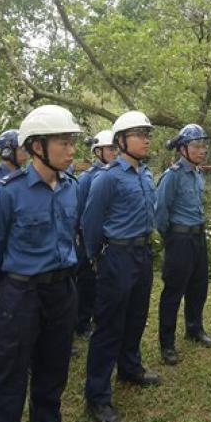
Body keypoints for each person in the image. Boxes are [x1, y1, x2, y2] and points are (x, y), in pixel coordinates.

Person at [0, 105, 82, 422]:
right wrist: (0, 291)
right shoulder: (7, 192)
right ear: (36, 147)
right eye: (63, 142)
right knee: (8, 376)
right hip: (21, 294)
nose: (71, 149)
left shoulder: (72, 187)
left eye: (72, 141)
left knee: (53, 370)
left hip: (62, 292)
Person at [82, 111, 160, 422]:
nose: (146, 139)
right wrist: (97, 257)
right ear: (121, 141)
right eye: (139, 134)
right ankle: (97, 395)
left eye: (147, 134)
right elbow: (90, 222)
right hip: (117, 256)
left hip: (143, 254)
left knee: (136, 316)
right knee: (109, 326)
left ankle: (131, 367)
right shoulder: (108, 177)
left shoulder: (145, 175)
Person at [156, 124, 211, 367]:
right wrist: (171, 238)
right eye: (196, 146)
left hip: (198, 237)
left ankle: (194, 328)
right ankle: (167, 343)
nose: (202, 150)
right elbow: (160, 212)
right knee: (173, 291)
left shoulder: (198, 173)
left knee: (198, 286)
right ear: (183, 149)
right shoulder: (172, 176)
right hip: (179, 239)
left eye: (204, 145)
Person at [74, 130, 118, 341]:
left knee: (101, 283)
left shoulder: (116, 174)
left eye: (115, 148)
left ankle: (95, 318)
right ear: (98, 151)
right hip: (87, 238)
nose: (114, 152)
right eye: (111, 149)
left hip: (108, 240)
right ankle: (81, 323)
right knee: (86, 281)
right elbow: (80, 211)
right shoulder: (87, 178)